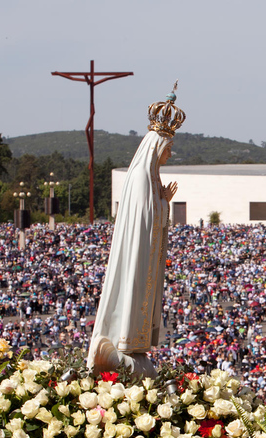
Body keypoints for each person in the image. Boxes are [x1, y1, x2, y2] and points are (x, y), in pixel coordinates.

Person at [87, 84, 185, 377]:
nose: (168, 156)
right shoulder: (142, 177)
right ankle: (124, 341)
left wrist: (163, 203)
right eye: (167, 151)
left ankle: (135, 343)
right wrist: (163, 204)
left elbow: (152, 214)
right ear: (156, 149)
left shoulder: (151, 178)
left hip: (146, 252)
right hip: (138, 252)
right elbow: (144, 218)